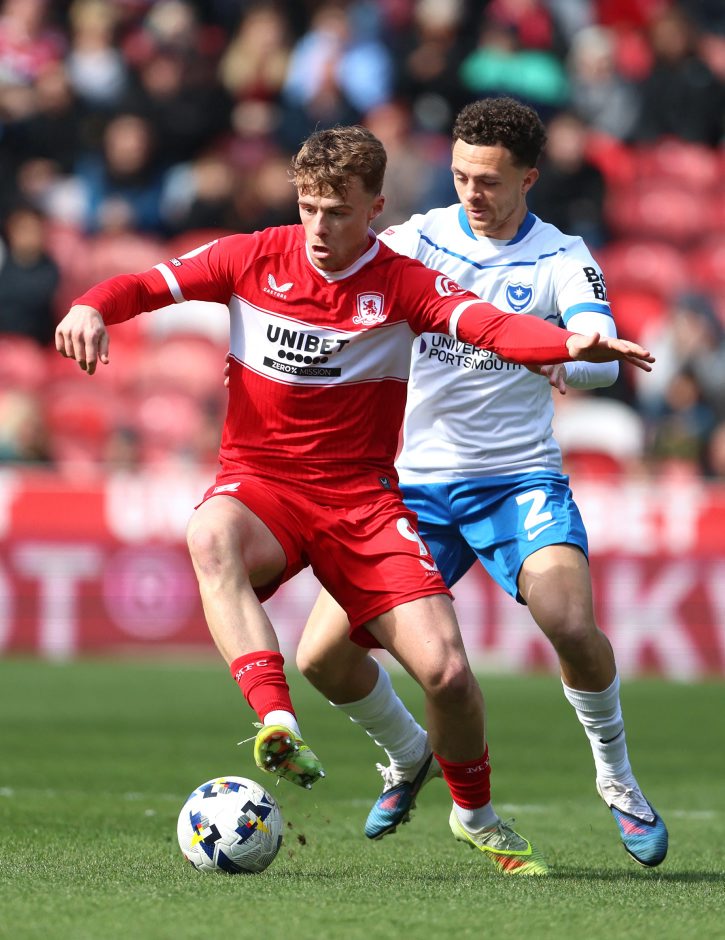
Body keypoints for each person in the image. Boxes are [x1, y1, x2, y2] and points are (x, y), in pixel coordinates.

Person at [55, 124, 653, 877]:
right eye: (307, 207)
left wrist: (570, 344)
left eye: (337, 211)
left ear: (374, 208)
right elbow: (144, 285)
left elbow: (491, 327)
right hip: (263, 486)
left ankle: (474, 815)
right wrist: (90, 305)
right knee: (209, 535)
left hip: (363, 502)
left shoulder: (404, 282)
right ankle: (277, 720)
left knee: (447, 675)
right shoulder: (250, 256)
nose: (318, 227)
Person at [296, 101, 669, 869]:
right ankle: (408, 754)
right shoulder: (418, 239)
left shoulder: (560, 256)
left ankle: (617, 778)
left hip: (515, 480)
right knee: (321, 657)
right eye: (462, 174)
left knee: (570, 624)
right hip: (412, 489)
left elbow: (600, 353)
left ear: (527, 178)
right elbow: (336, 291)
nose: (471, 191)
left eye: (489, 180)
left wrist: (567, 356)